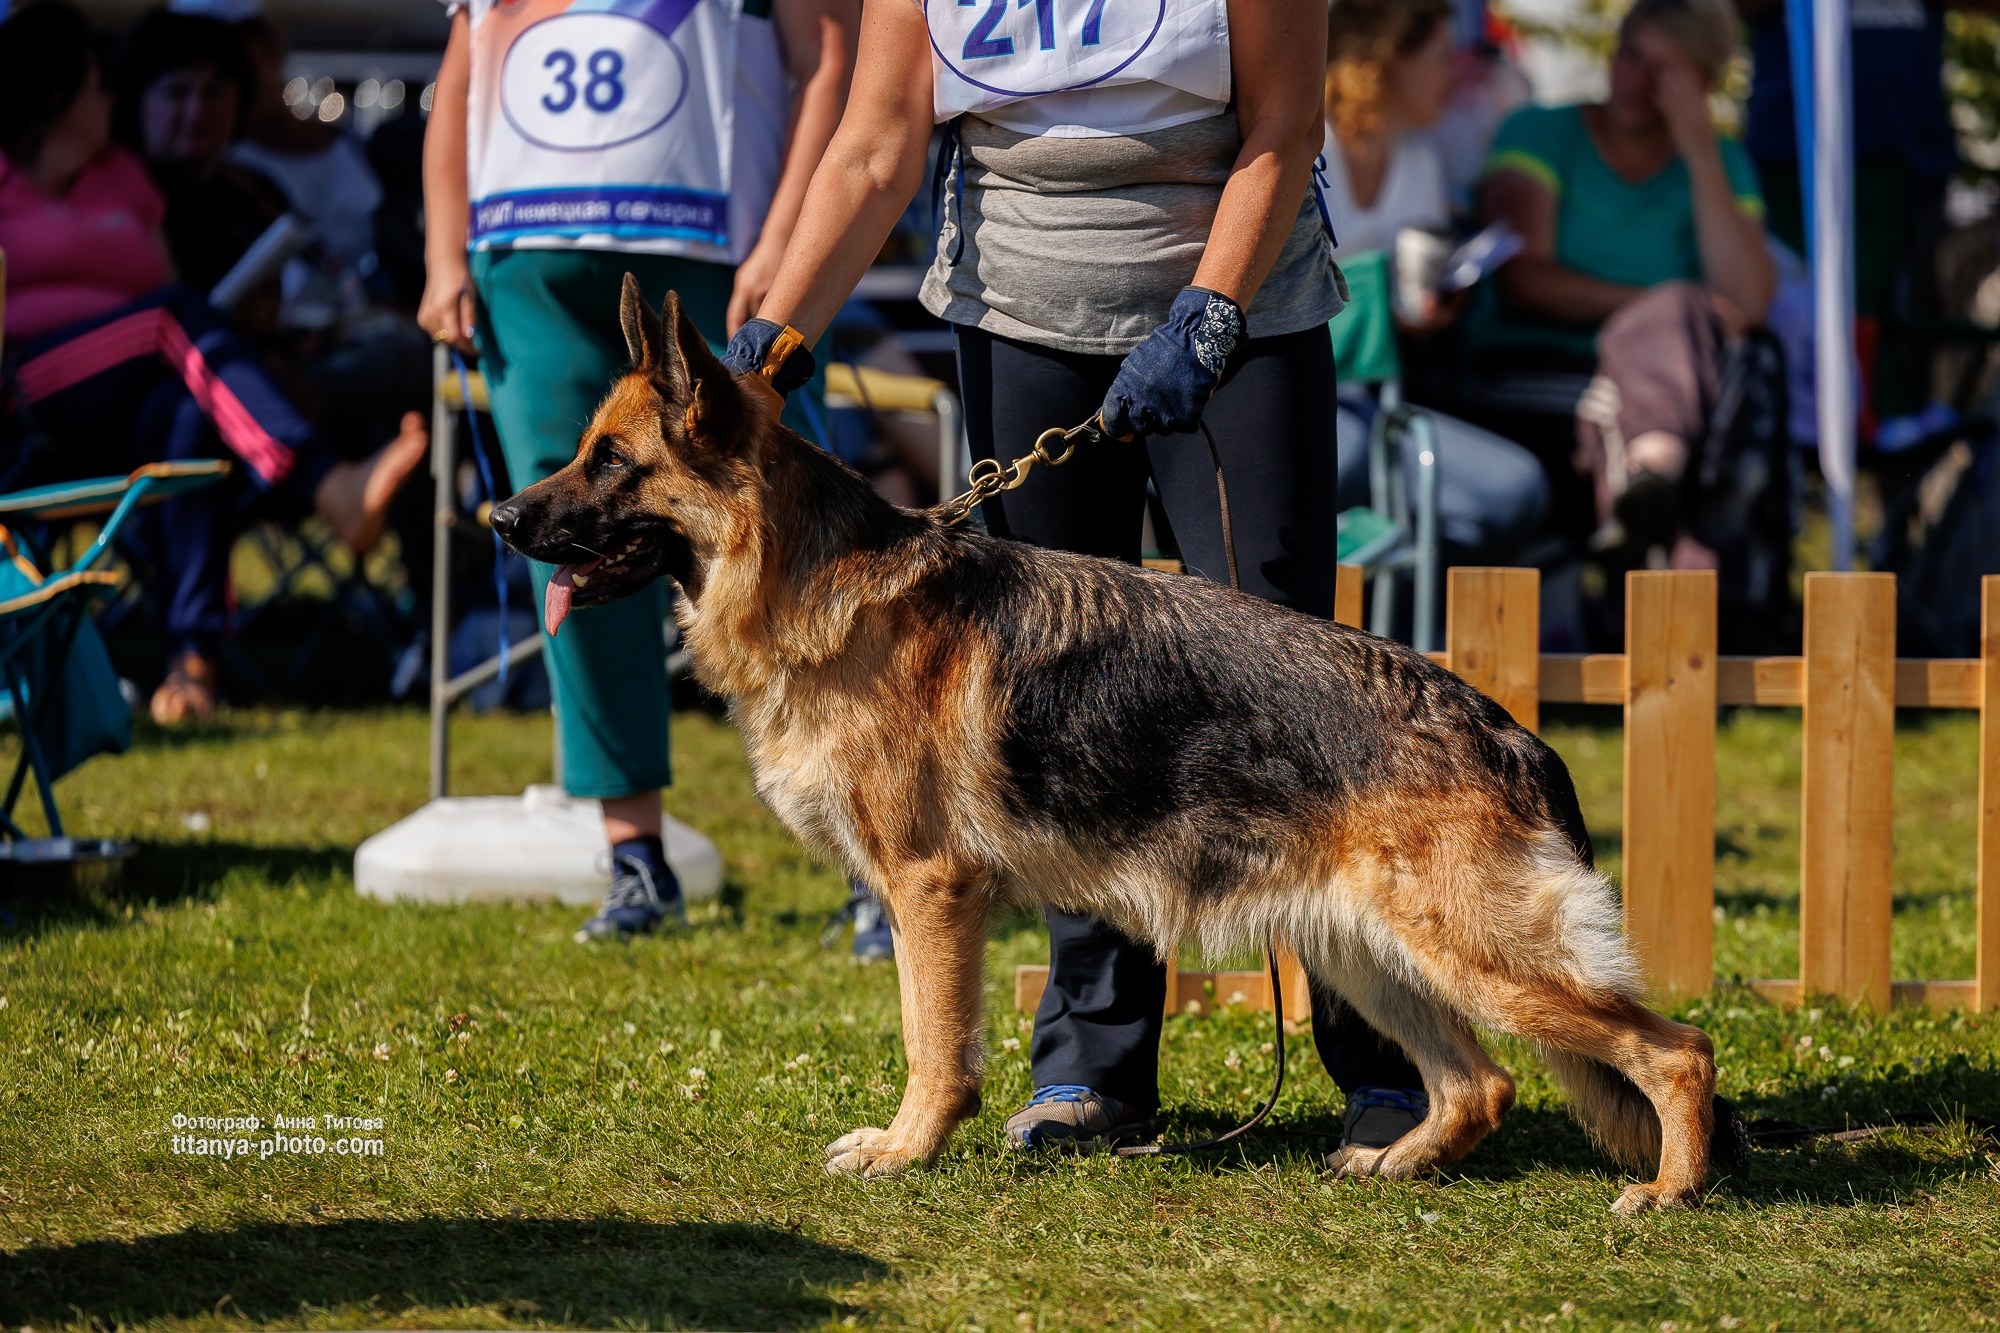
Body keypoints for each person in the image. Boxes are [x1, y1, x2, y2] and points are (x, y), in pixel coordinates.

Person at [724, 0, 1433, 1157]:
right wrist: (770, 343)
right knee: (1044, 712)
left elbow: (1282, 126)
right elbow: (872, 145)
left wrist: (1207, 317)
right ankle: (1092, 1069)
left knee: (1295, 684)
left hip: (1233, 315)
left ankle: (1387, 1061)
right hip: (1018, 318)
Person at [419, 0, 860, 942]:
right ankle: (633, 855)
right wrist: (441, 248)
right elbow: (460, 73)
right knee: (567, 541)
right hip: (526, 252)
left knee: (789, 529)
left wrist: (789, 233)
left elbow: (828, 51)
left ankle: (875, 848)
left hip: (713, 241)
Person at [0, 0, 427, 723]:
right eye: (100, 86)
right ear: (58, 97)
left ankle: (190, 667)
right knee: (172, 315)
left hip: (128, 392)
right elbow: (167, 304)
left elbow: (170, 286)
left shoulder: (123, 178)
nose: (113, 100)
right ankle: (325, 483)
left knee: (185, 417)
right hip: (25, 387)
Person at [1469, 0, 1775, 568]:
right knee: (1639, 420)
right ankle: (1659, 520)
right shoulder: (1539, 132)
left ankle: (1654, 489)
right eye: (1631, 55)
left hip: (1666, 393)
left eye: (1666, 71)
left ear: (1702, 83)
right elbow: (1523, 281)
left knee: (1654, 418)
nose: (1635, 80)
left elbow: (1748, 303)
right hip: (1531, 370)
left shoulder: (1722, 163)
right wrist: (1662, 312)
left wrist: (1701, 155)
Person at [1323, 0, 1548, 581]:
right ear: (1387, 61)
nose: (1458, 73)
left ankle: (1395, 632)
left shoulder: (1419, 160)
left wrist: (1423, 310)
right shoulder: (1306, 145)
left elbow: (1400, 300)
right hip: (1300, 394)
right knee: (1338, 460)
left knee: (1515, 491)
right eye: (1444, 56)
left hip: (1371, 401)